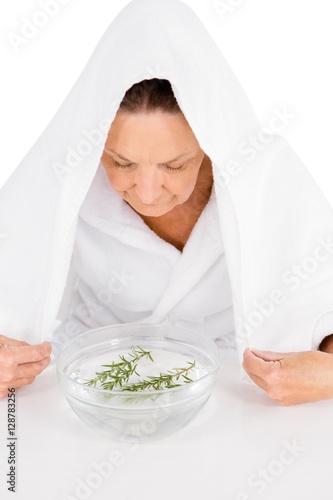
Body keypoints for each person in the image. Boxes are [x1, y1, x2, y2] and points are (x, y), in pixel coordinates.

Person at [1, 0, 333, 405]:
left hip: (230, 390)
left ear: (212, 142)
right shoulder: (63, 174)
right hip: (92, 384)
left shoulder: (264, 177)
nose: (147, 192)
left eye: (175, 165)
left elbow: (322, 301)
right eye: (121, 162)